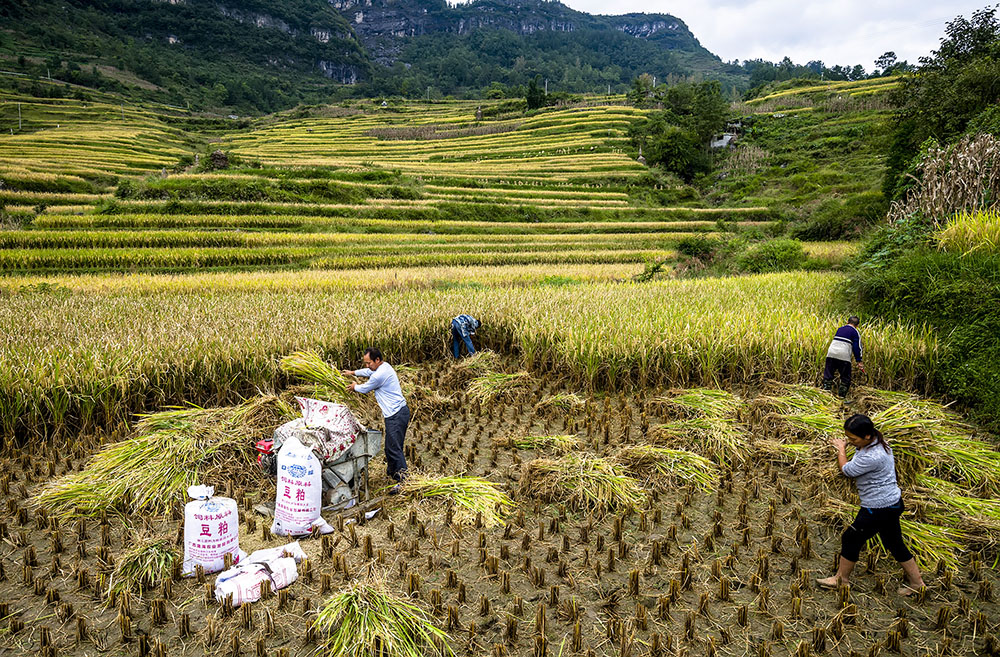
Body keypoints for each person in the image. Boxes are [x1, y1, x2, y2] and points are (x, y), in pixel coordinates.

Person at [817, 414, 925, 596]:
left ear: (867, 436)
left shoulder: (872, 456)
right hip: (893, 503)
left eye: (853, 439)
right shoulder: (880, 442)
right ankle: (917, 583)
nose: (850, 442)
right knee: (894, 542)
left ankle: (841, 581)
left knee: (851, 538)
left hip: (878, 508)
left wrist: (841, 449)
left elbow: (847, 470)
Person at [341, 347, 409, 492]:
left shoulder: (380, 375)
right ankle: (392, 472)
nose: (367, 366)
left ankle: (404, 481)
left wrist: (354, 386)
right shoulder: (382, 367)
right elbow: (368, 372)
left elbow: (365, 388)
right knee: (391, 446)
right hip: (397, 413)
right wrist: (353, 373)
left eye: (368, 363)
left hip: (396, 415)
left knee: (394, 448)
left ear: (377, 360)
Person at [822, 315, 865, 397]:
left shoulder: (840, 329)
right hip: (844, 356)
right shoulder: (855, 332)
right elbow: (857, 347)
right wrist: (859, 361)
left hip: (831, 353)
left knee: (828, 375)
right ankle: (841, 398)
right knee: (845, 377)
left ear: (847, 322)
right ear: (857, 325)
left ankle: (825, 396)